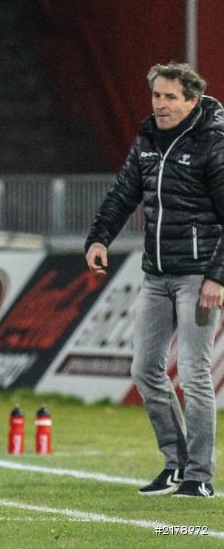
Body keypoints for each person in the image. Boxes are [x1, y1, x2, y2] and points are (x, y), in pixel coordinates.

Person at [86, 62, 224, 498]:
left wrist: (216, 277)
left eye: (169, 97)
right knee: (145, 369)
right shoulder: (148, 138)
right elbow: (125, 192)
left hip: (197, 278)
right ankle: (175, 463)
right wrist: (99, 237)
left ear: (192, 100)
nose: (159, 105)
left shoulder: (213, 143)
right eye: (155, 96)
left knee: (195, 374)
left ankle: (200, 476)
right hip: (155, 274)